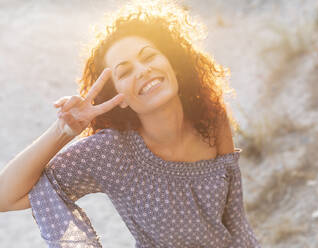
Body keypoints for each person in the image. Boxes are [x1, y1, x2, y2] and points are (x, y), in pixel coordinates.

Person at [0, 0, 261, 247]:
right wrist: (62, 131)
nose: (143, 70)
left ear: (173, 63)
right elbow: (5, 196)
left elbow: (235, 218)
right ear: (118, 98)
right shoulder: (111, 152)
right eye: (125, 72)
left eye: (149, 57)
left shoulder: (211, 118)